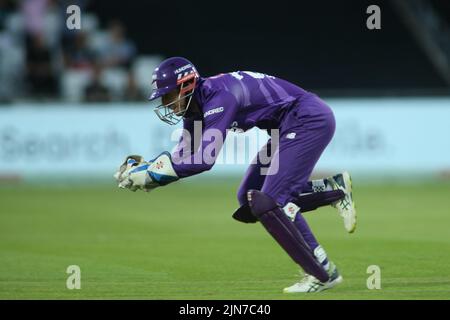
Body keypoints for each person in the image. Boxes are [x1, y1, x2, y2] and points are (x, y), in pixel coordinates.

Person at [114, 57, 357, 293]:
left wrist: (153, 176)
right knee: (248, 199)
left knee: (269, 202)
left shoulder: (220, 97)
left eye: (168, 96)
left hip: (308, 120)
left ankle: (321, 274)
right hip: (289, 127)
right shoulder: (196, 105)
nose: (166, 104)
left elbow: (204, 160)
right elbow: (182, 157)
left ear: (187, 85)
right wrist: (149, 169)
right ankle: (333, 190)